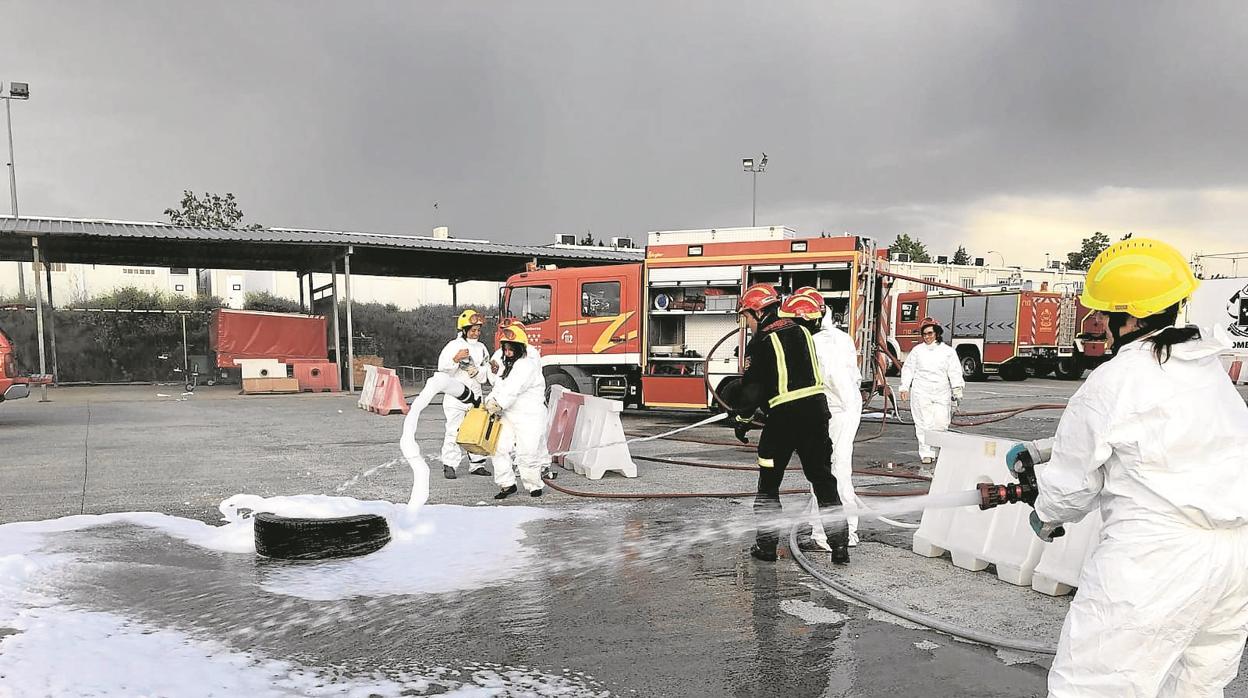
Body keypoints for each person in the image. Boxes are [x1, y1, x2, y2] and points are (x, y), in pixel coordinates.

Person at [1022, 238, 1248, 697]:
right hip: (1233, 558)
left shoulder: (1116, 378)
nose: (1099, 325)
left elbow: (1071, 485)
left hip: (1154, 559)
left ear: (1134, 317)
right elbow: (1173, 435)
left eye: (1106, 314)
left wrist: (1046, 516)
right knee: (1195, 686)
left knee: (1095, 685)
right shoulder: (1206, 371)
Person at [729, 283, 848, 564]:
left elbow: (752, 392)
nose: (747, 323)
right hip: (816, 416)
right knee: (823, 481)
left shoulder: (760, 343)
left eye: (746, 317)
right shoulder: (803, 331)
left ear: (757, 312)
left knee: (769, 485)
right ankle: (840, 547)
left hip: (783, 420)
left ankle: (767, 547)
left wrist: (742, 420)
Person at [783, 287, 865, 550]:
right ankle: (839, 531)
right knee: (834, 471)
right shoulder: (841, 338)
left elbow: (833, 381)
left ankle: (832, 536)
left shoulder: (820, 343)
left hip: (835, 412)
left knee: (830, 474)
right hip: (843, 410)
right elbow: (855, 377)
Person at [483, 323, 548, 499]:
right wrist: (489, 401)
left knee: (527, 452)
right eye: (505, 348)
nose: (508, 351)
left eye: (511, 348)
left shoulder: (527, 365)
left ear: (520, 348)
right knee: (498, 447)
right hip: (508, 414)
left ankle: (533, 485)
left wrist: (498, 404)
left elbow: (513, 388)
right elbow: (500, 386)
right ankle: (506, 484)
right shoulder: (507, 365)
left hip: (530, 417)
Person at [898, 316, 963, 464]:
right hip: (921, 391)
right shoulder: (917, 351)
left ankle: (937, 450)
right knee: (923, 424)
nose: (927, 337)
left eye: (930, 333)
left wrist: (957, 388)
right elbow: (908, 369)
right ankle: (926, 453)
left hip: (941, 392)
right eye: (924, 334)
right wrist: (904, 387)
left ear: (937, 333)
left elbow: (954, 370)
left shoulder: (948, 351)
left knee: (940, 423)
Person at [436, 309, 491, 479]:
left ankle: (477, 464)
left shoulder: (482, 348)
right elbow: (442, 368)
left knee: (476, 430)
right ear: (464, 330)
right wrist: (455, 359)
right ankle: (450, 464)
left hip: (475, 397)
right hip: (456, 397)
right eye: (473, 330)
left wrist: (479, 372)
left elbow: (487, 370)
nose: (476, 333)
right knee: (454, 431)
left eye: (478, 330)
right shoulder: (453, 346)